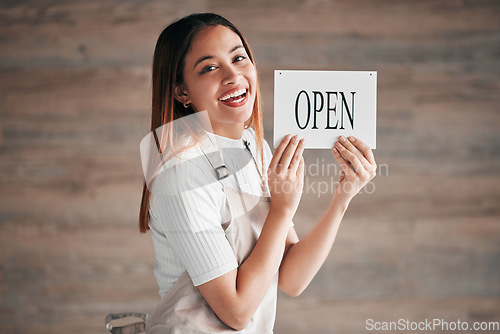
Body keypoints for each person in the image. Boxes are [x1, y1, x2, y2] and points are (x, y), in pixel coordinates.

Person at [138, 13, 377, 333]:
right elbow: (236, 312)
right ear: (182, 92)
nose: (233, 74)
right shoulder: (182, 176)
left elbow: (291, 278)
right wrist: (281, 210)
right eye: (209, 67)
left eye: (238, 58)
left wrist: (343, 196)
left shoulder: (255, 146)